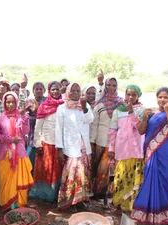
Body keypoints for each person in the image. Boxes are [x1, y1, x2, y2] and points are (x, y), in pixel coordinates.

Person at [131, 87, 168, 225]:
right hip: (151, 151)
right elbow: (141, 130)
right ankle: (148, 214)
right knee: (150, 180)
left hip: (167, 151)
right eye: (160, 97)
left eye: (166, 97)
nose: (162, 100)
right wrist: (144, 117)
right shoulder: (151, 113)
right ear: (157, 98)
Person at [55, 83, 94, 211]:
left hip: (83, 146)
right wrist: (59, 149)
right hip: (70, 146)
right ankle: (69, 201)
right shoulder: (62, 108)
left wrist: (84, 108)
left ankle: (80, 200)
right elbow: (58, 129)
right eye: (73, 90)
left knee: (83, 174)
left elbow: (90, 120)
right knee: (72, 174)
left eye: (78, 90)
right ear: (68, 92)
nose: (76, 93)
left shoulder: (85, 105)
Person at [0, 91, 34, 210]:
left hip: (20, 154)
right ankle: (9, 205)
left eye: (12, 102)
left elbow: (25, 131)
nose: (10, 104)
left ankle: (20, 205)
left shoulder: (20, 117)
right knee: (5, 179)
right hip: (5, 154)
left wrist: (25, 116)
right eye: (8, 102)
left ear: (16, 103)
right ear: (4, 103)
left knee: (19, 179)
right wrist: (11, 139)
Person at [108, 85, 145, 212]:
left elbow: (140, 128)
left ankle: (131, 205)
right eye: (128, 94)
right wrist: (111, 148)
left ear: (138, 96)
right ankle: (119, 204)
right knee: (121, 178)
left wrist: (131, 112)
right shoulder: (118, 111)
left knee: (134, 178)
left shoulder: (142, 110)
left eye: (134, 95)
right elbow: (113, 130)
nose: (130, 97)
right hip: (121, 149)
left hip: (136, 150)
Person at [90, 77, 124, 207]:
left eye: (114, 85)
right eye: (109, 85)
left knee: (114, 171)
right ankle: (101, 197)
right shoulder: (99, 104)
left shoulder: (121, 104)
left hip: (116, 142)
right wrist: (92, 142)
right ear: (105, 86)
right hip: (102, 141)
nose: (111, 87)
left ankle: (111, 197)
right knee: (101, 171)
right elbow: (94, 125)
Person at [30, 81, 64, 202]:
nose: (55, 91)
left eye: (57, 89)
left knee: (56, 171)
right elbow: (37, 127)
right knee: (44, 170)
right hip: (45, 143)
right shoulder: (44, 106)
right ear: (49, 91)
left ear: (61, 90)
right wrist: (37, 143)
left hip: (59, 145)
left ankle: (54, 196)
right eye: (53, 89)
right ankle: (42, 196)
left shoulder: (64, 106)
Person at [26, 82, 46, 170]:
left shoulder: (47, 102)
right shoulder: (29, 102)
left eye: (40, 89)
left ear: (44, 90)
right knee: (30, 163)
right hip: (31, 137)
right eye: (36, 89)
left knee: (42, 165)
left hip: (45, 137)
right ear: (33, 91)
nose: (38, 91)